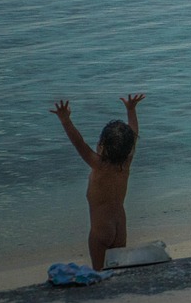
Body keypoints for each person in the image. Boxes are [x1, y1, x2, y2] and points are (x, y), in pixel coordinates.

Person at [50, 93, 145, 269]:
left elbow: (79, 143)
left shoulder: (98, 165)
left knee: (99, 273)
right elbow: (134, 133)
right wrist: (131, 110)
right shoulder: (126, 162)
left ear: (101, 145)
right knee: (117, 270)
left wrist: (65, 121)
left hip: (101, 230)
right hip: (120, 227)